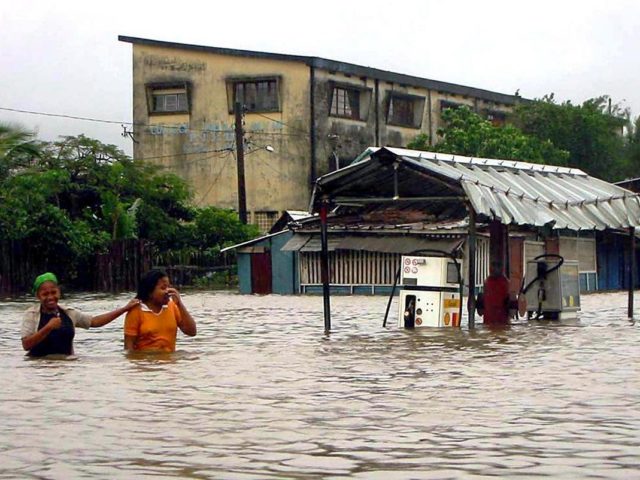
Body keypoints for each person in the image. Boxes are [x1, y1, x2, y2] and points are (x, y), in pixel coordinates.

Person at [21, 272, 140, 357]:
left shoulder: (68, 313)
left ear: (59, 292)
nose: (50, 297)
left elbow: (95, 322)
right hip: (39, 369)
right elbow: (26, 345)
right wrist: (48, 327)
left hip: (65, 367)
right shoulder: (31, 315)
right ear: (38, 296)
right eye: (45, 294)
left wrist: (124, 309)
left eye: (54, 292)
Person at [124, 269, 197, 353]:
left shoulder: (173, 307)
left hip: (169, 362)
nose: (167, 291)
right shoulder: (136, 311)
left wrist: (180, 304)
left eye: (168, 287)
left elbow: (192, 332)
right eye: (163, 288)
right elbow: (128, 348)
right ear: (149, 292)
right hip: (147, 362)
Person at [479, 260, 511, 326]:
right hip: (490, 318)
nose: (495, 269)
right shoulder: (488, 282)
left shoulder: (504, 282)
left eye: (497, 266)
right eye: (493, 266)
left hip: (501, 318)